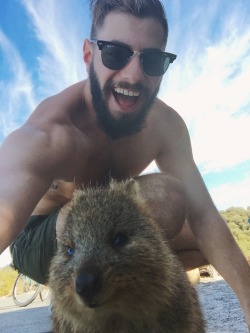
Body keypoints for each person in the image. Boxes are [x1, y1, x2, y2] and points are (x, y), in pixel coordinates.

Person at [0, 0, 250, 329]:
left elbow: (204, 217)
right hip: (42, 240)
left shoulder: (165, 126)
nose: (133, 75)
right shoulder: (49, 135)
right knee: (165, 197)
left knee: (205, 242)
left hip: (112, 237)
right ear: (89, 55)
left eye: (151, 60)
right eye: (115, 54)